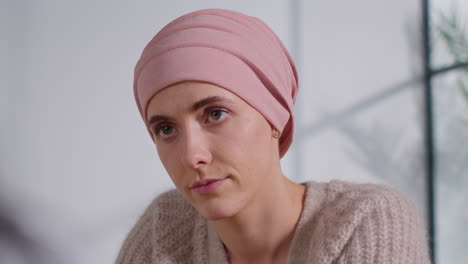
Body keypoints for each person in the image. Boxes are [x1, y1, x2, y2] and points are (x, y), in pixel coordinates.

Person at [116, 9, 431, 264]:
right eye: (166, 129)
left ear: (274, 118)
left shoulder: (366, 221)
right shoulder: (165, 228)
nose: (192, 156)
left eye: (215, 114)